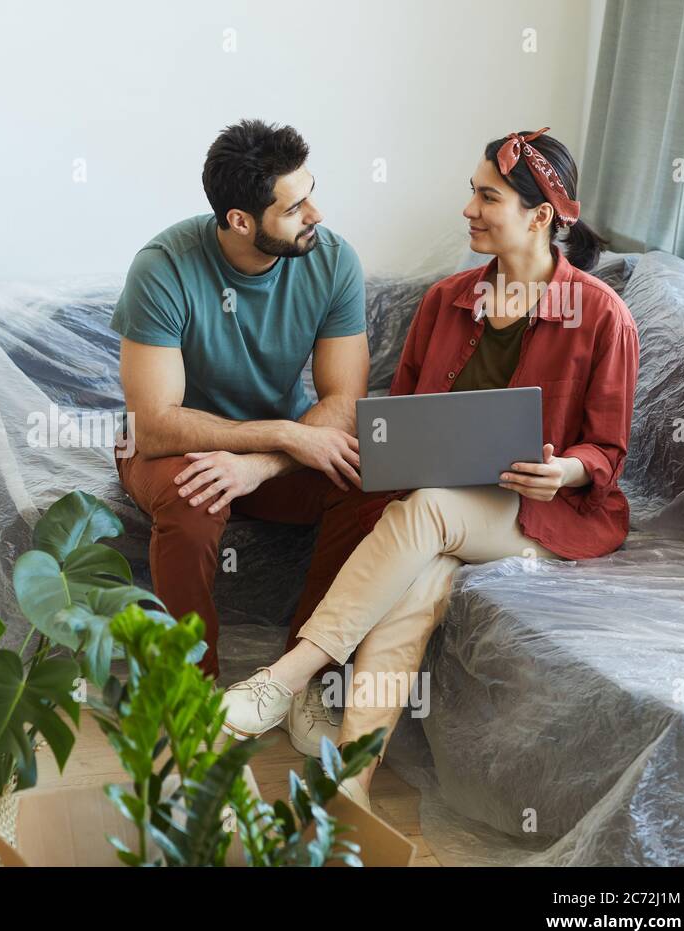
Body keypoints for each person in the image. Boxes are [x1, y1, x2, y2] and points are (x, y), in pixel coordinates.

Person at [219, 128, 640, 811]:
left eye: (487, 196)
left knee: (423, 512)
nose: (469, 208)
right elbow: (405, 417)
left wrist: (565, 471)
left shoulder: (601, 315)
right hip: (447, 508)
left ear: (539, 216)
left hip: (542, 512)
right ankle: (347, 796)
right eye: (471, 193)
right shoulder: (448, 299)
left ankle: (289, 676)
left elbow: (609, 451)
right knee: (413, 596)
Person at [111, 119, 371, 752]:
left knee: (372, 486)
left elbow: (344, 400)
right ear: (240, 221)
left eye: (311, 191)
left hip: (274, 456)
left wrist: (262, 463)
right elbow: (154, 423)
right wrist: (281, 435)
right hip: (177, 447)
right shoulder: (163, 268)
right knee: (197, 500)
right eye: (294, 206)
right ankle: (192, 692)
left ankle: (300, 680)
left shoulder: (332, 259)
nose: (316, 212)